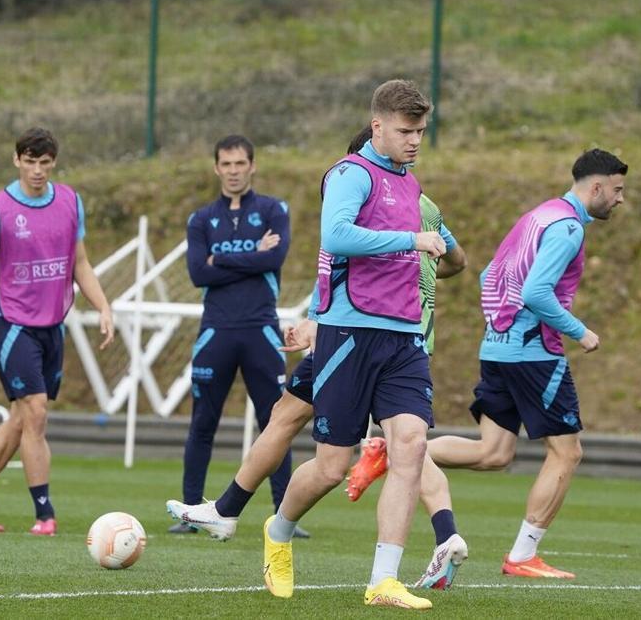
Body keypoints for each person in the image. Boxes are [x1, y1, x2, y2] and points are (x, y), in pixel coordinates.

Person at [167, 125, 471, 592]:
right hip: (340, 334)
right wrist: (315, 318)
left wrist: (416, 259)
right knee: (289, 421)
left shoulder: (408, 201)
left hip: (387, 336)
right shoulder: (369, 197)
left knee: (401, 446)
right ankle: (229, 511)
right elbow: (342, 267)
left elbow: (442, 255)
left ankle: (409, 557)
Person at [349, 148, 628, 580]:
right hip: (534, 354)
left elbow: (489, 275)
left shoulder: (538, 215)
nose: (620, 199)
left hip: (497, 347)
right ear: (596, 187)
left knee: (494, 452)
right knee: (567, 452)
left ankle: (390, 451)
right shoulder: (568, 227)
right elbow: (536, 293)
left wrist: (500, 325)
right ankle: (522, 555)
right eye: (617, 190)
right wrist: (579, 330)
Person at [260, 80, 446, 610]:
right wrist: (412, 240)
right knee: (331, 466)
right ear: (378, 126)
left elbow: (434, 249)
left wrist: (441, 254)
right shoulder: (349, 175)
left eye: (421, 132)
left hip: (403, 336)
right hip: (349, 333)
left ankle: (384, 579)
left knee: (409, 442)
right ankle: (279, 530)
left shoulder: (410, 184)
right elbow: (337, 237)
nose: (415, 141)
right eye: (406, 132)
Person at [0, 128, 114, 537]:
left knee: (23, 417)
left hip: (52, 325)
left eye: (44, 162)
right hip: (12, 322)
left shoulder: (71, 202)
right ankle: (45, 513)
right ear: (16, 160)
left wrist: (104, 307)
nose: (37, 170)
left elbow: (81, 264)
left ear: (53, 162)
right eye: (30, 161)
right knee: (35, 410)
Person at [171, 135, 294, 534]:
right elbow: (197, 273)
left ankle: (285, 515)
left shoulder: (274, 210)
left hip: (262, 331)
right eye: (227, 164)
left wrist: (219, 258)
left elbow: (274, 258)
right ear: (216, 168)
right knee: (202, 424)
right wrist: (252, 258)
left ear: (252, 166)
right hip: (216, 333)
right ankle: (191, 511)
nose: (234, 170)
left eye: (241, 163)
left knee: (277, 422)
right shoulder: (201, 219)